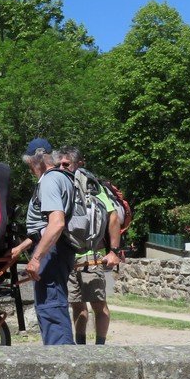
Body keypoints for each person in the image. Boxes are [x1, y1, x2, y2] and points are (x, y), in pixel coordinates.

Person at [54, 146, 123, 345]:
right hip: (69, 257)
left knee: (98, 304)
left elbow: (113, 218)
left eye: (66, 164)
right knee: (77, 306)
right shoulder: (61, 186)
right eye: (59, 164)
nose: (62, 167)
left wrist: (114, 252)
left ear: (79, 164)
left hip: (93, 255)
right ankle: (81, 347)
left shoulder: (94, 187)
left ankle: (100, 347)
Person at [10, 138, 76, 345]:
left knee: (51, 306)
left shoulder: (49, 180)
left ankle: (62, 363)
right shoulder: (64, 177)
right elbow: (43, 228)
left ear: (37, 160)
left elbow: (56, 224)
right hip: (58, 249)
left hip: (53, 252)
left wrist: (37, 257)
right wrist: (20, 248)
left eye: (30, 164)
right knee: (51, 305)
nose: (30, 169)